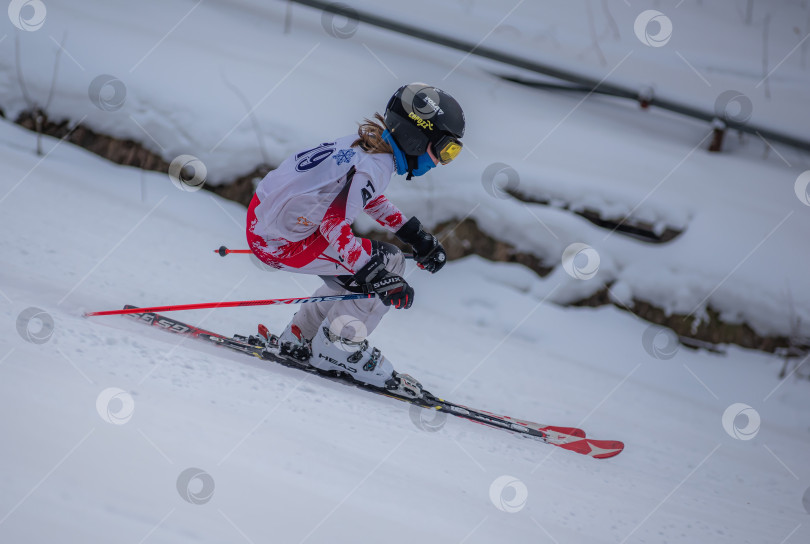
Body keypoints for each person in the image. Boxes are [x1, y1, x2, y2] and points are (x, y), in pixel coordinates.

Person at [246, 83, 465, 397]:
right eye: (445, 150)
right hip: (283, 242)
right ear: (416, 138)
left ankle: (301, 335)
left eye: (453, 153)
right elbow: (334, 225)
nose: (442, 161)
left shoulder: (366, 148)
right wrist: (375, 275)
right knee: (388, 263)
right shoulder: (373, 167)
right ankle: (339, 346)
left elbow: (363, 198)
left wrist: (414, 235)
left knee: (367, 267)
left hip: (268, 227)